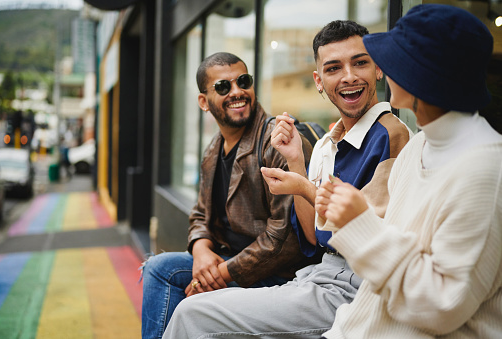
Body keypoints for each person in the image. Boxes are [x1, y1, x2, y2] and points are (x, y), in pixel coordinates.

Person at [162, 20, 412, 339]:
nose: (349, 76)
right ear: (318, 81)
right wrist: (296, 161)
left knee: (191, 312)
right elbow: (311, 235)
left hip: (356, 286)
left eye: (360, 62)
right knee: (181, 290)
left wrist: (305, 187)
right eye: (334, 68)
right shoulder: (324, 145)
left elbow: (372, 241)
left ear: (379, 69)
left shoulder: (391, 134)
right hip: (316, 276)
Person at [318, 5, 502, 338]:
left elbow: (441, 306)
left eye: (393, 59)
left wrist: (360, 224)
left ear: (421, 76)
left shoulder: (485, 170)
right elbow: (386, 274)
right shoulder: (420, 146)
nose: (382, 69)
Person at [141, 52, 317, 339]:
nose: (237, 92)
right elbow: (200, 213)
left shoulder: (277, 141)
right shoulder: (214, 148)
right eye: (223, 87)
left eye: (243, 81)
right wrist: (200, 252)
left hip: (276, 275)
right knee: (158, 268)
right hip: (229, 261)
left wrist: (219, 273)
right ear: (203, 102)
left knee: (192, 301)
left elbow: (285, 238)